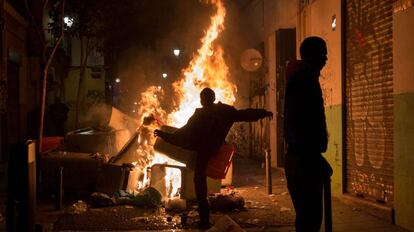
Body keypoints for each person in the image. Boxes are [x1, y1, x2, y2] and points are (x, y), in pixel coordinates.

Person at [154, 87, 273, 229]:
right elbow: (244, 114)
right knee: (201, 181)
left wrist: (164, 135)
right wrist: (263, 113)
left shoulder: (200, 114)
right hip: (214, 149)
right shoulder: (225, 111)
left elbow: (182, 135)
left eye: (201, 98)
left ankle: (204, 219)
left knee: (200, 183)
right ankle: (204, 218)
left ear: (202, 100)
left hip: (202, 151)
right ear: (214, 98)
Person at [284, 36, 333, 232]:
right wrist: (313, 158)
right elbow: (301, 123)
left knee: (306, 220)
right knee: (310, 221)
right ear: (313, 55)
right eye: (324, 53)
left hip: (301, 159)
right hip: (304, 162)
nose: (326, 58)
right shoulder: (304, 80)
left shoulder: (302, 77)